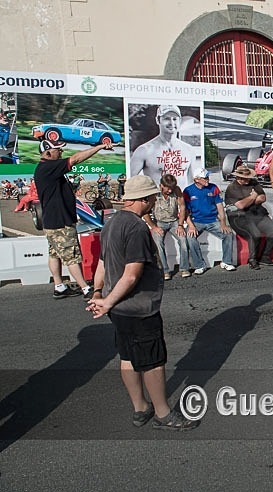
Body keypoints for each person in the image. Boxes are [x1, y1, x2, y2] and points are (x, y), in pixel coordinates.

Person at [86, 175, 198, 431]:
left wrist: (98, 293)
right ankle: (163, 413)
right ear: (144, 199)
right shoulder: (136, 228)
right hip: (138, 306)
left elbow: (102, 262)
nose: (153, 202)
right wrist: (106, 301)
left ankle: (140, 407)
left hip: (119, 308)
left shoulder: (111, 223)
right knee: (153, 362)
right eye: (151, 199)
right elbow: (133, 273)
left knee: (127, 356)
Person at [34, 139, 114, 299]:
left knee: (55, 253)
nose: (61, 152)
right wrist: (98, 147)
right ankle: (86, 289)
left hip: (52, 222)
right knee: (72, 256)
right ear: (48, 153)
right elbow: (76, 159)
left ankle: (59, 286)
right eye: (58, 150)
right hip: (60, 222)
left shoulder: (44, 169)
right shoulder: (49, 167)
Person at [129, 105, 201, 191]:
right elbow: (131, 183)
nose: (171, 123)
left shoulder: (189, 150)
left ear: (180, 121)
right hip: (157, 202)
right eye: (166, 119)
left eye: (175, 119)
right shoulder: (144, 150)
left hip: (181, 201)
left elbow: (191, 183)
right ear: (157, 120)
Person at [224, 165, 273, 269]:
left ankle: (265, 256)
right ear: (239, 178)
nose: (247, 180)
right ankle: (252, 259)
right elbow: (240, 205)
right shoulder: (232, 188)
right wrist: (253, 197)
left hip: (257, 213)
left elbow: (262, 197)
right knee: (254, 234)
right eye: (245, 178)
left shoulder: (254, 183)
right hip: (239, 216)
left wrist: (248, 201)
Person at [183, 169, 237, 273]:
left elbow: (220, 206)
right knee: (190, 237)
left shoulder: (214, 188)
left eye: (208, 177)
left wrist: (223, 223)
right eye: (205, 178)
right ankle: (199, 265)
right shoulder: (188, 191)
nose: (208, 179)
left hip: (213, 220)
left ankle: (226, 262)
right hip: (196, 221)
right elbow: (185, 211)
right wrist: (191, 225)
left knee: (228, 234)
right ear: (197, 179)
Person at [142, 174, 191, 280]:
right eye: (167, 188)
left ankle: (184, 268)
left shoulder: (177, 191)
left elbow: (182, 207)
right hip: (159, 222)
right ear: (161, 186)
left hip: (174, 221)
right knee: (158, 244)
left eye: (171, 189)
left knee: (183, 240)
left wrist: (181, 224)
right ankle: (165, 270)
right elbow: (145, 212)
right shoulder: (154, 194)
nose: (170, 191)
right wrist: (153, 226)